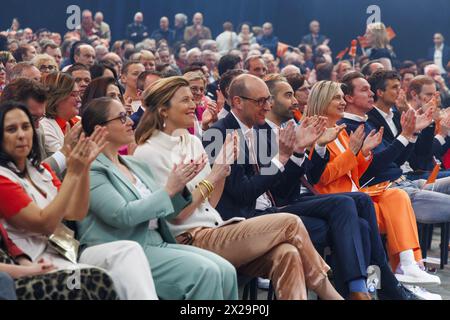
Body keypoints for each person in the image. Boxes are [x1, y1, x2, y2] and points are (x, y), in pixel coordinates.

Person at [132, 76, 342, 300]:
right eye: (185, 100)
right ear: (164, 110)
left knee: (287, 253)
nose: (194, 104)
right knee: (292, 222)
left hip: (220, 226)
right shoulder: (152, 152)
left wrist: (221, 173)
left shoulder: (191, 141)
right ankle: (331, 294)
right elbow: (179, 216)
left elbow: (210, 203)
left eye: (193, 99)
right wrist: (216, 175)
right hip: (190, 237)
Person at [78, 97, 238, 300]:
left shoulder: (133, 164)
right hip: (124, 249)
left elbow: (169, 211)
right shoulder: (92, 169)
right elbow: (121, 215)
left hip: (158, 241)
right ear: (101, 129)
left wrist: (180, 188)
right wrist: (169, 189)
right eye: (122, 118)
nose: (130, 122)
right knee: (206, 272)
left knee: (226, 271)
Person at [0, 101, 158, 300]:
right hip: (36, 264)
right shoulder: (3, 179)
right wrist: (73, 173)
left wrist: (84, 168)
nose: (21, 135)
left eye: (25, 127)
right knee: (97, 278)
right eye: (11, 129)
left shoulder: (41, 171)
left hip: (67, 253)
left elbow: (76, 212)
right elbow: (46, 223)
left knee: (127, 250)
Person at [306, 80, 441, 293]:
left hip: (357, 196)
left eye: (342, 98)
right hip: (337, 202)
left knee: (396, 196)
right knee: (393, 206)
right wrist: (354, 153)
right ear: (322, 101)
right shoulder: (312, 131)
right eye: (337, 98)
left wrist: (364, 153)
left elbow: (354, 173)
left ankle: (408, 265)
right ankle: (402, 281)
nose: (342, 102)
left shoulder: (340, 130)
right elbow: (323, 177)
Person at [40, 73, 81, 156]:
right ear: (57, 97)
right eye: (73, 95)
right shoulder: (44, 126)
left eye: (79, 94)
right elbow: (61, 163)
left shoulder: (79, 120)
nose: (79, 99)